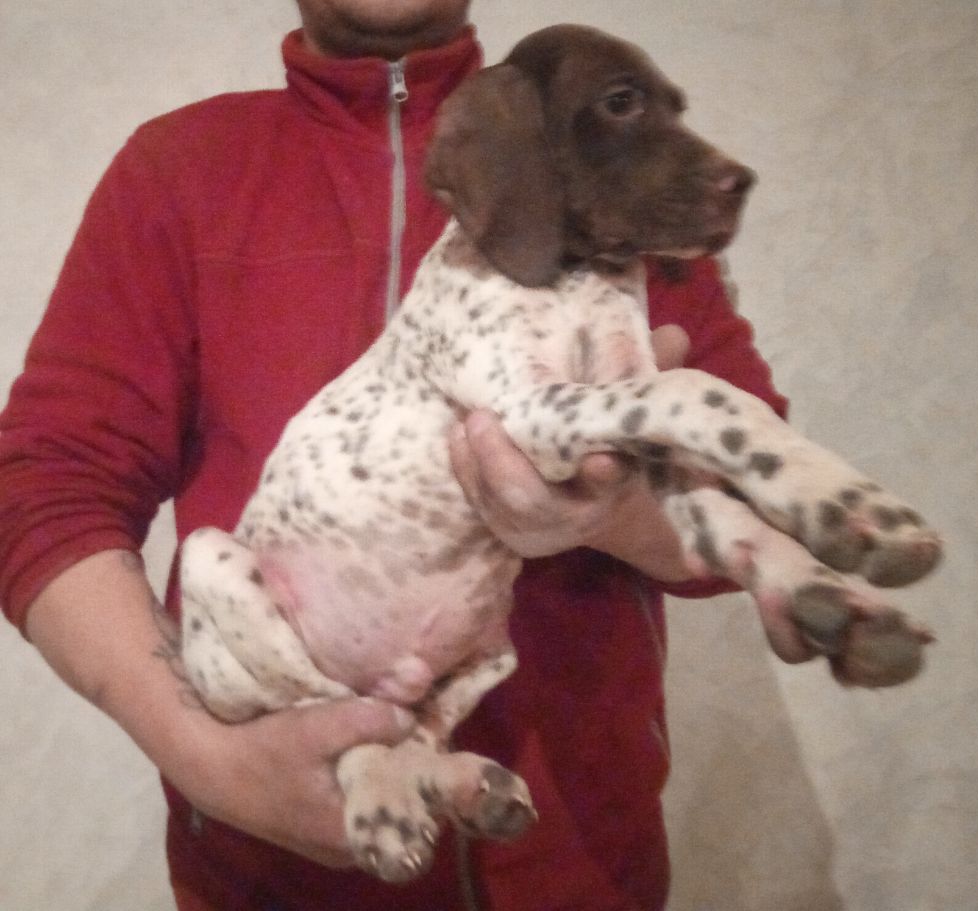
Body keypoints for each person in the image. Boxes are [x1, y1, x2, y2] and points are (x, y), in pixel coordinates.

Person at [0, 2, 795, 909]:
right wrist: (209, 760)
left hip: (580, 870)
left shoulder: (611, 161)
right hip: (264, 883)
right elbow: (45, 490)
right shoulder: (177, 173)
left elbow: (761, 493)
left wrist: (613, 509)